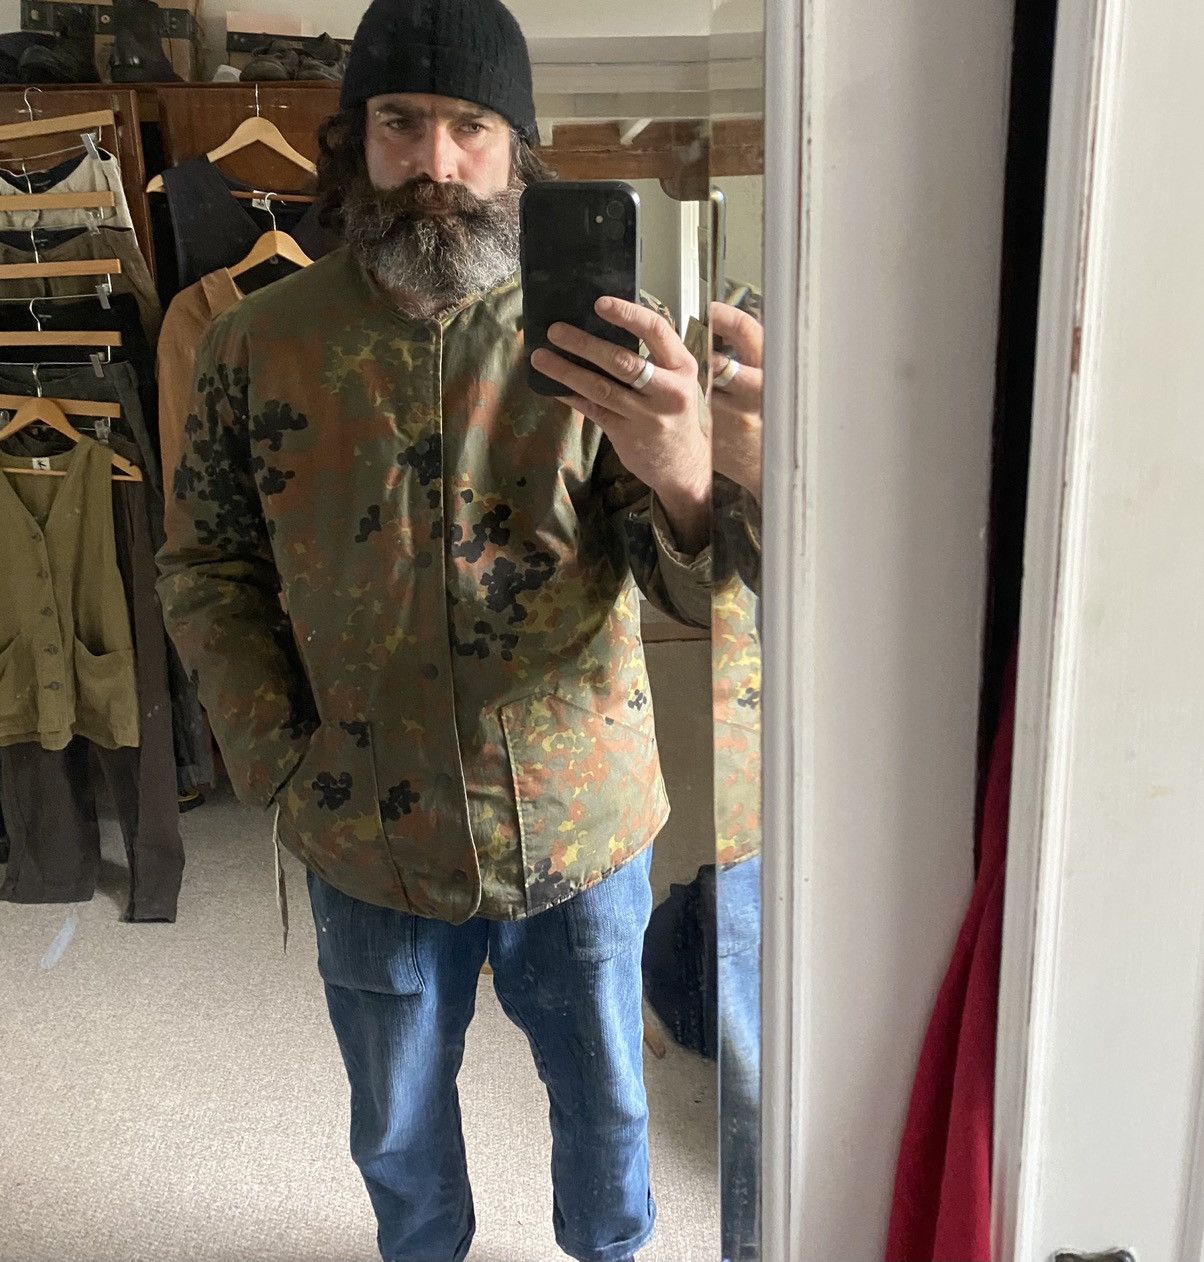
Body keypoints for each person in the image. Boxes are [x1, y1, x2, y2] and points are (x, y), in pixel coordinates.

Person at [155, 1, 713, 1259]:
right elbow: (205, 567)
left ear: (519, 151)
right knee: (397, 1127)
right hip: (366, 826)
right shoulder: (254, 347)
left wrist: (684, 466)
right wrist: (279, 763)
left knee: (609, 1111)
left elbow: (693, 588)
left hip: (578, 822)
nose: (436, 163)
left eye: (472, 128)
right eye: (402, 124)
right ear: (355, 142)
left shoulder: (602, 346)